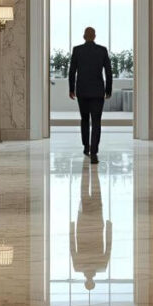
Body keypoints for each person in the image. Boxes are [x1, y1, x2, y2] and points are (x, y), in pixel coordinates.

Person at [68, 26, 112, 164]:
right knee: (97, 121)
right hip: (98, 91)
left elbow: (72, 71)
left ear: (84, 36)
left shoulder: (77, 50)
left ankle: (86, 147)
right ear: (94, 36)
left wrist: (71, 89)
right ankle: (94, 153)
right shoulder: (102, 50)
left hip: (82, 91)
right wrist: (108, 90)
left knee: (85, 120)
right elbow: (108, 72)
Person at [69, 162, 111, 291]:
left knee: (96, 191)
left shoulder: (102, 266)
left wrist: (109, 228)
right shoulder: (78, 267)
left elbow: (109, 246)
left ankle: (93, 167)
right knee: (84, 191)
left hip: (97, 223)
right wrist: (71, 227)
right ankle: (87, 167)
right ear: (86, 282)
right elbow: (72, 247)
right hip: (83, 225)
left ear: (92, 282)